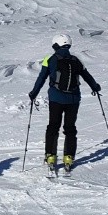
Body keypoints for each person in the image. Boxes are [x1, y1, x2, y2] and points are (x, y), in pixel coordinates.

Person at [29, 33, 101, 174]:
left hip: (56, 99)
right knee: (70, 128)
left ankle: (50, 157)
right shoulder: (76, 60)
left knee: (53, 127)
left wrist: (34, 93)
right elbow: (87, 76)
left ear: (56, 45)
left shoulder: (49, 59)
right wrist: (95, 87)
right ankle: (69, 158)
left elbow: (41, 78)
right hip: (74, 99)